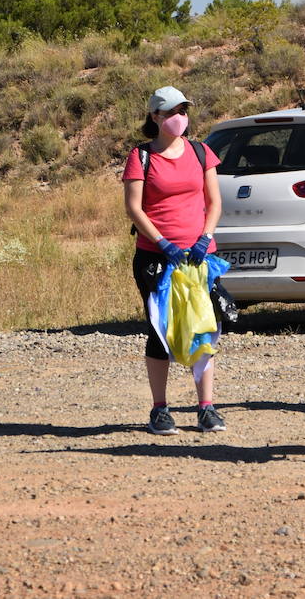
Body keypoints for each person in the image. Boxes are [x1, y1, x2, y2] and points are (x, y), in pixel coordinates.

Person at [122, 86, 225, 436]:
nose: (179, 117)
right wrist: (162, 242)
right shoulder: (141, 156)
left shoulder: (200, 152)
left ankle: (206, 407)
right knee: (160, 332)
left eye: (183, 110)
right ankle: (159, 409)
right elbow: (134, 208)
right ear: (155, 117)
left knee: (202, 328)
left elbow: (214, 202)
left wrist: (205, 238)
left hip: (199, 259)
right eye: (171, 112)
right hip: (157, 259)